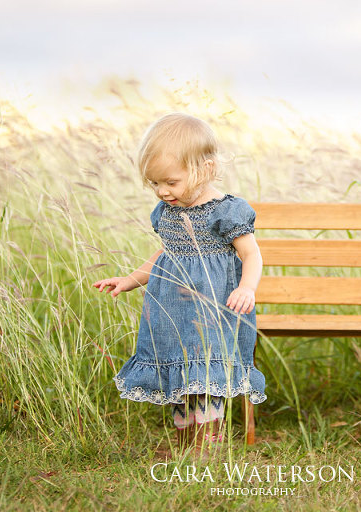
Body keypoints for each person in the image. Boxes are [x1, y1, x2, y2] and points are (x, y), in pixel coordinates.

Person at [92, 113, 266, 455]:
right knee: (182, 374)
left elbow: (252, 254)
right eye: (154, 183)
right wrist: (131, 279)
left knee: (207, 373)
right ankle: (187, 444)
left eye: (170, 181)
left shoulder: (226, 212)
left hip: (214, 308)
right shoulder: (167, 212)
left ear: (205, 168)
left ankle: (207, 448)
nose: (161, 191)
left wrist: (247, 288)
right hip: (172, 309)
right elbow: (164, 254)